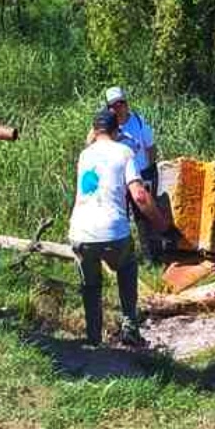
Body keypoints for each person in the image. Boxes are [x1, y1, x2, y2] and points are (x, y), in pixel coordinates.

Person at [69, 108, 168, 348]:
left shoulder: (84, 155)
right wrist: (161, 223)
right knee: (127, 267)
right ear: (117, 130)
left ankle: (93, 341)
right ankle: (130, 328)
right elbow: (140, 196)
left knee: (91, 286)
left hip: (80, 232)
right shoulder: (124, 152)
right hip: (113, 231)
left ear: (94, 130)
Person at [89, 86, 162, 262]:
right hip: (117, 178)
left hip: (140, 175)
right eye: (114, 105)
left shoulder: (137, 121)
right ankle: (124, 255)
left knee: (143, 216)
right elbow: (89, 143)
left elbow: (151, 148)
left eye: (122, 103)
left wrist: (148, 171)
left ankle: (150, 255)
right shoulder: (105, 126)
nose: (119, 108)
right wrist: (98, 127)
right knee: (119, 214)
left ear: (126, 104)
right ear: (108, 108)